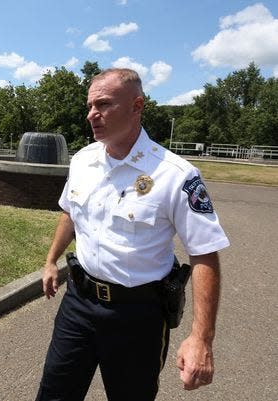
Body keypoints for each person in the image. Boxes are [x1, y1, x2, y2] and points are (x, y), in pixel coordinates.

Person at [36, 68, 230, 401]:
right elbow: (70, 211)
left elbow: (204, 253)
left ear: (136, 105)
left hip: (138, 317)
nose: (91, 115)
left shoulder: (175, 175)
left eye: (103, 104)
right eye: (90, 106)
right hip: (78, 304)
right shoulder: (83, 160)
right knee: (54, 394)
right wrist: (51, 260)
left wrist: (201, 339)